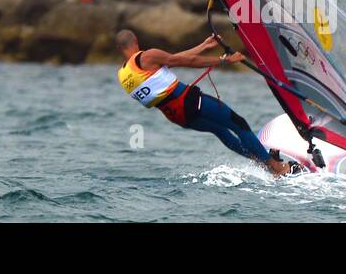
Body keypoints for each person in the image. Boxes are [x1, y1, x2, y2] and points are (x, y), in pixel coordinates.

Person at [115, 29, 298, 176]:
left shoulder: (124, 75)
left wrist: (203, 46)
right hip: (189, 102)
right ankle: (276, 167)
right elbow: (187, 61)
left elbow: (174, 58)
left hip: (177, 116)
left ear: (119, 48)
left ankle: (264, 162)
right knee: (238, 123)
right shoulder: (147, 56)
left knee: (220, 131)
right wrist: (225, 60)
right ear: (136, 41)